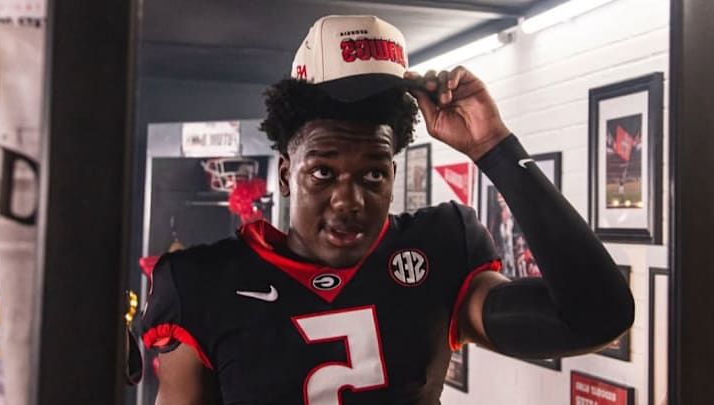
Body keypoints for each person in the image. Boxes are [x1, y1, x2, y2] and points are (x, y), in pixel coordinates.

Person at [140, 15, 634, 405]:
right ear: (287, 174)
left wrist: (494, 147)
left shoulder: (437, 249)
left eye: (373, 174)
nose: (349, 201)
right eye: (323, 172)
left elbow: (596, 318)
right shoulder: (203, 284)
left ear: (393, 176)